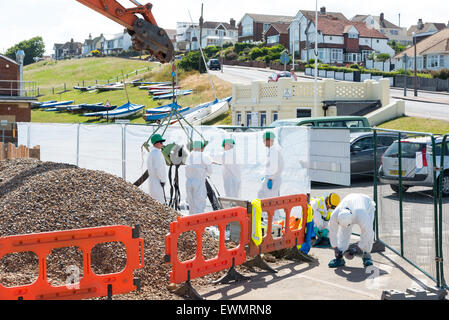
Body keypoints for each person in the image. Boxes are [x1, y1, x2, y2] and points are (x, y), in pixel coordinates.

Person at [328, 193, 376, 268]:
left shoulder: (362, 214)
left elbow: (368, 232)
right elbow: (332, 232)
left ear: (351, 220)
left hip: (367, 205)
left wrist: (359, 247)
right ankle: (339, 257)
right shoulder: (335, 215)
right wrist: (335, 248)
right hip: (351, 201)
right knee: (343, 232)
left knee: (368, 231)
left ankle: (367, 255)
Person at [185, 140, 214, 215]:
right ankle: (199, 225)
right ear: (202, 148)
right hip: (199, 183)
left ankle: (191, 225)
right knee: (199, 206)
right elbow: (210, 171)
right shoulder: (204, 156)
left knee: (192, 206)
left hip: (188, 183)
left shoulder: (189, 156)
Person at [257, 131, 284, 200]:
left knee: (271, 201)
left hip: (272, 180)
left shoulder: (274, 151)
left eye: (264, 140)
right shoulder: (270, 151)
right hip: (269, 179)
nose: (263, 142)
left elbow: (280, 167)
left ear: (269, 140)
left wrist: (272, 178)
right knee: (262, 196)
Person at [146, 134, 168, 204]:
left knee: (155, 203)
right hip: (158, 181)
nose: (162, 144)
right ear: (156, 143)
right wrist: (163, 180)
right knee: (160, 203)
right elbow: (159, 168)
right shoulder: (156, 153)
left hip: (153, 181)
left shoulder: (151, 153)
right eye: (161, 142)